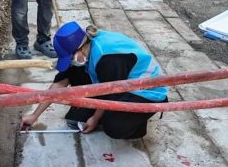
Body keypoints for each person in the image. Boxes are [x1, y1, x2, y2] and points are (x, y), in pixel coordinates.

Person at [19, 21, 168, 139]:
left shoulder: (108, 59)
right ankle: (105, 115)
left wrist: (95, 118)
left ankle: (137, 125)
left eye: (69, 58)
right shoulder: (86, 45)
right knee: (76, 116)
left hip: (146, 92)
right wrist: (34, 115)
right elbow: (60, 83)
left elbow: (109, 96)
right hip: (117, 80)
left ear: (80, 48)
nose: (70, 61)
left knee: (114, 127)